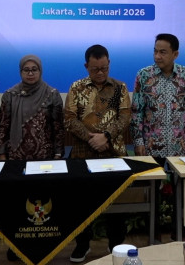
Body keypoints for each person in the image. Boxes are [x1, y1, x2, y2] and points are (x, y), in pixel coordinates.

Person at [64, 45, 131, 263]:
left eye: (104, 68)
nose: (100, 73)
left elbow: (124, 117)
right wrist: (92, 138)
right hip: (83, 153)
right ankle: (82, 245)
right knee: (81, 204)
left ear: (109, 63)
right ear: (87, 66)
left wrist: (106, 137)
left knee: (116, 202)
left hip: (113, 154)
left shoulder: (120, 88)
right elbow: (70, 119)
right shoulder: (77, 87)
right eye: (95, 69)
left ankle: (116, 244)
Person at [0, 54, 64, 261]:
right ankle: (16, 245)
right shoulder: (10, 95)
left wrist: (58, 154)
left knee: (44, 203)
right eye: (26, 70)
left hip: (44, 159)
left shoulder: (52, 95)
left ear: (40, 71)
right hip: (16, 159)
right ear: (20, 72)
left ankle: (45, 243)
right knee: (17, 203)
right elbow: (3, 126)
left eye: (35, 69)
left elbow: (58, 128)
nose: (31, 73)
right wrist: (2, 154)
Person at [130, 33, 185, 158]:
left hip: (180, 145)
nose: (157, 56)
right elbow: (136, 112)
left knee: (181, 172)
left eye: (163, 52)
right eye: (155, 51)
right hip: (151, 146)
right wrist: (138, 142)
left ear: (175, 54)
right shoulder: (143, 75)